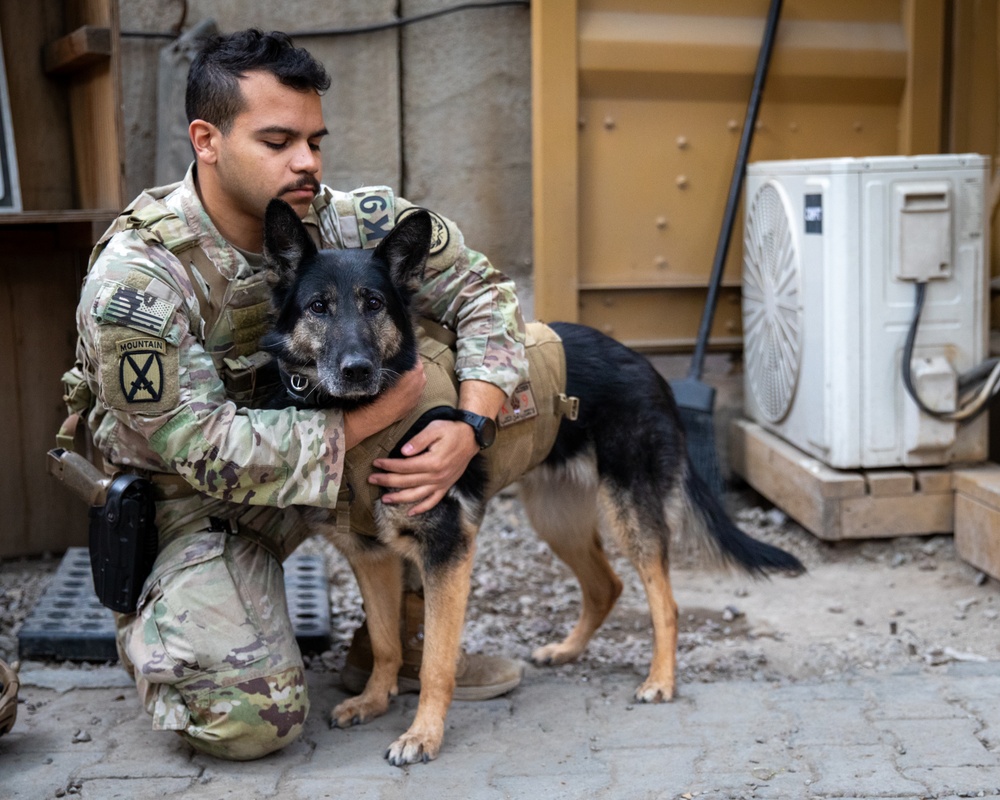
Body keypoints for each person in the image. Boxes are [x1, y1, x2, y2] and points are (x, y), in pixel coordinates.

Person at [69, 28, 529, 761]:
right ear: (207, 140)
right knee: (251, 719)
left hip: (325, 465)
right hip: (203, 500)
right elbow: (207, 449)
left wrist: (471, 425)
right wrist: (378, 415)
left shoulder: (350, 219)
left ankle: (401, 642)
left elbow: (483, 293)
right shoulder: (139, 280)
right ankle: (175, 626)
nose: (307, 161)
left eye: (315, 140)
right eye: (278, 141)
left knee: (474, 374)